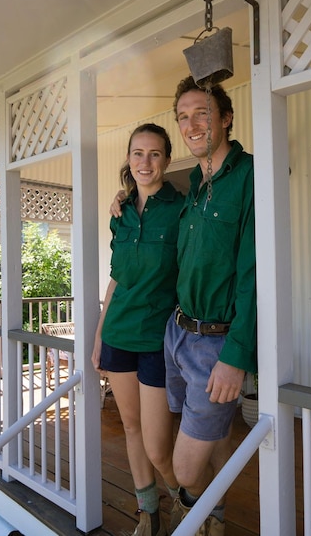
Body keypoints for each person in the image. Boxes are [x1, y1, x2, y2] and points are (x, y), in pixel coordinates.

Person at [112, 77, 257, 536]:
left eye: (203, 113)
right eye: (184, 116)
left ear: (226, 118)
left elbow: (255, 273)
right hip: (176, 334)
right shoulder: (196, 183)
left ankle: (194, 511)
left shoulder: (249, 175)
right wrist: (122, 196)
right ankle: (214, 519)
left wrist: (237, 356)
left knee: (184, 466)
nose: (192, 124)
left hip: (216, 342)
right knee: (211, 439)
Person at [93, 123, 184, 536]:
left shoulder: (181, 209)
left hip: (156, 341)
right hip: (118, 335)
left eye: (154, 154)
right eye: (137, 153)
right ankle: (148, 512)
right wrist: (98, 337)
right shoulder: (121, 212)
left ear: (166, 159)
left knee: (158, 447)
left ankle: (185, 503)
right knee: (130, 427)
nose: (145, 161)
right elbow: (115, 281)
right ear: (128, 159)